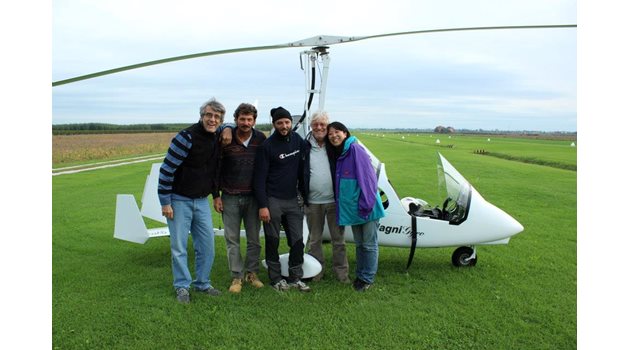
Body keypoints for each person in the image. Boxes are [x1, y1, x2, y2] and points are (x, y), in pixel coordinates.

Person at [157, 97, 231, 303]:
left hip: (201, 201)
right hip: (179, 200)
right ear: (201, 116)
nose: (213, 119)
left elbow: (214, 169)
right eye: (209, 115)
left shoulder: (217, 136)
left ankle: (203, 284)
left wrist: (228, 127)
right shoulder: (186, 137)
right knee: (179, 247)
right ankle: (182, 287)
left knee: (207, 245)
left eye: (217, 117)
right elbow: (167, 169)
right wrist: (165, 201)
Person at [254, 106, 311, 292]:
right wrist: (263, 205)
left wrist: (305, 195)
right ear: (274, 124)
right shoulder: (267, 146)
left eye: (287, 122)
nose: (284, 125)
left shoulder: (299, 142)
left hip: (293, 200)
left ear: (291, 122)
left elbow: (304, 169)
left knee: (297, 240)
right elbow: (259, 179)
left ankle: (295, 278)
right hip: (272, 200)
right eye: (280, 123)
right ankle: (276, 278)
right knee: (273, 240)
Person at [326, 121, 385, 292]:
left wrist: (366, 206)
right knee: (360, 244)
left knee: (369, 245)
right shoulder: (342, 153)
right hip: (355, 210)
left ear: (345, 133)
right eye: (330, 134)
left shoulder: (355, 150)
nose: (333, 136)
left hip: (367, 208)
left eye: (337, 132)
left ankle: (367, 278)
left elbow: (368, 180)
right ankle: (361, 275)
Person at [214, 103, 266, 294]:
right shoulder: (225, 137)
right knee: (232, 239)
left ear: (254, 121)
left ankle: (251, 273)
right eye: (242, 119)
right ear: (236, 119)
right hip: (230, 197)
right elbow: (216, 168)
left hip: (253, 197)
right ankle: (236, 276)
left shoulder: (260, 138)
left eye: (249, 119)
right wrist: (216, 195)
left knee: (254, 239)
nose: (245, 122)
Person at [304, 111, 350, 283]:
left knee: (339, 241)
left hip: (334, 202)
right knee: (314, 240)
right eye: (315, 124)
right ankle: (316, 272)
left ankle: (342, 274)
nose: (319, 127)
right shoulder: (304, 146)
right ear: (311, 126)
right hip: (312, 202)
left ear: (327, 126)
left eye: (322, 124)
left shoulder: (336, 145)